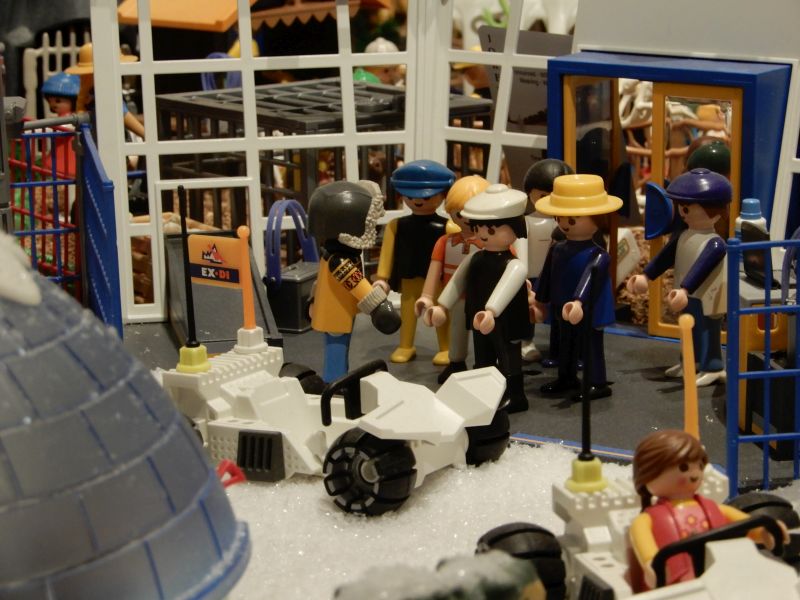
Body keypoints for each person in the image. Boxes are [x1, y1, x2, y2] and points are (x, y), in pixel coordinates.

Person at [629, 429, 785, 590]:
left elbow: (746, 524)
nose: (695, 474)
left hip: (724, 573)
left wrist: (764, 531)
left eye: (699, 466)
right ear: (648, 473)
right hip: (679, 584)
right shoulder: (646, 520)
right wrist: (651, 565)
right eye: (683, 467)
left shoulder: (713, 508)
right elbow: (646, 548)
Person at [425, 183, 530, 412]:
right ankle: (486, 392)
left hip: (507, 319)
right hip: (478, 316)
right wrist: (442, 307)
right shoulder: (475, 259)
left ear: (515, 228)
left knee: (508, 356)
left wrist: (491, 311)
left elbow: (507, 286)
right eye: (478, 229)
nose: (483, 235)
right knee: (483, 356)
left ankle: (516, 395)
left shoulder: (514, 264)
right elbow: (457, 282)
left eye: (491, 231)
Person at [626, 168, 730, 386]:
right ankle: (689, 362)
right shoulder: (684, 235)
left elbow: (701, 268)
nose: (682, 212)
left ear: (713, 211)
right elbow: (665, 257)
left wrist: (685, 288)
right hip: (686, 294)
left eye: (687, 207)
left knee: (707, 330)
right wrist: (646, 276)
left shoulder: (715, 243)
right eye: (681, 207)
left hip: (707, 296)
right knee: (687, 328)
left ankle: (712, 366)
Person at [531, 174, 620, 401]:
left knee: (590, 345)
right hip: (562, 306)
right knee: (565, 344)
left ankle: (597, 382)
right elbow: (547, 275)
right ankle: (566, 377)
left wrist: (579, 301)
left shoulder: (598, 254)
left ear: (598, 219)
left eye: (572, 220)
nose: (564, 224)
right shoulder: (558, 249)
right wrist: (539, 300)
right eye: (560, 218)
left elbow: (591, 277)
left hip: (589, 309)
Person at [308, 180, 400, 382]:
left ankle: (337, 379)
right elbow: (357, 284)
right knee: (337, 349)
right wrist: (379, 306)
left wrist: (312, 300)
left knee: (341, 347)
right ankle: (335, 382)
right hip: (336, 315)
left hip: (338, 312)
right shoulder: (339, 261)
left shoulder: (333, 255)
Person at [375, 160, 454, 364]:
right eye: (410, 196)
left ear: (443, 195)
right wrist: (382, 278)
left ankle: (446, 347)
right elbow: (387, 252)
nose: (418, 201)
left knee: (440, 311)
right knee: (408, 313)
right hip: (408, 278)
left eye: (426, 197)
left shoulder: (447, 227)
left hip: (437, 281)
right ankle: (405, 345)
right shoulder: (396, 225)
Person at [415, 175, 489, 383]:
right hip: (455, 298)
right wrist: (426, 296)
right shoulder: (445, 242)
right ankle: (456, 363)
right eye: (460, 213)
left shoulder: (492, 242)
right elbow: (434, 269)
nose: (467, 219)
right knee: (456, 332)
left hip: (484, 298)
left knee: (484, 332)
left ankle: (485, 365)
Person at [518, 158, 575, 364]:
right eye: (543, 195)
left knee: (560, 311)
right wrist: (522, 273)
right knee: (528, 309)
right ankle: (526, 342)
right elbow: (521, 246)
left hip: (559, 275)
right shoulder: (526, 221)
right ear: (530, 194)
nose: (549, 201)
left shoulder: (568, 222)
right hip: (533, 274)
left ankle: (561, 347)